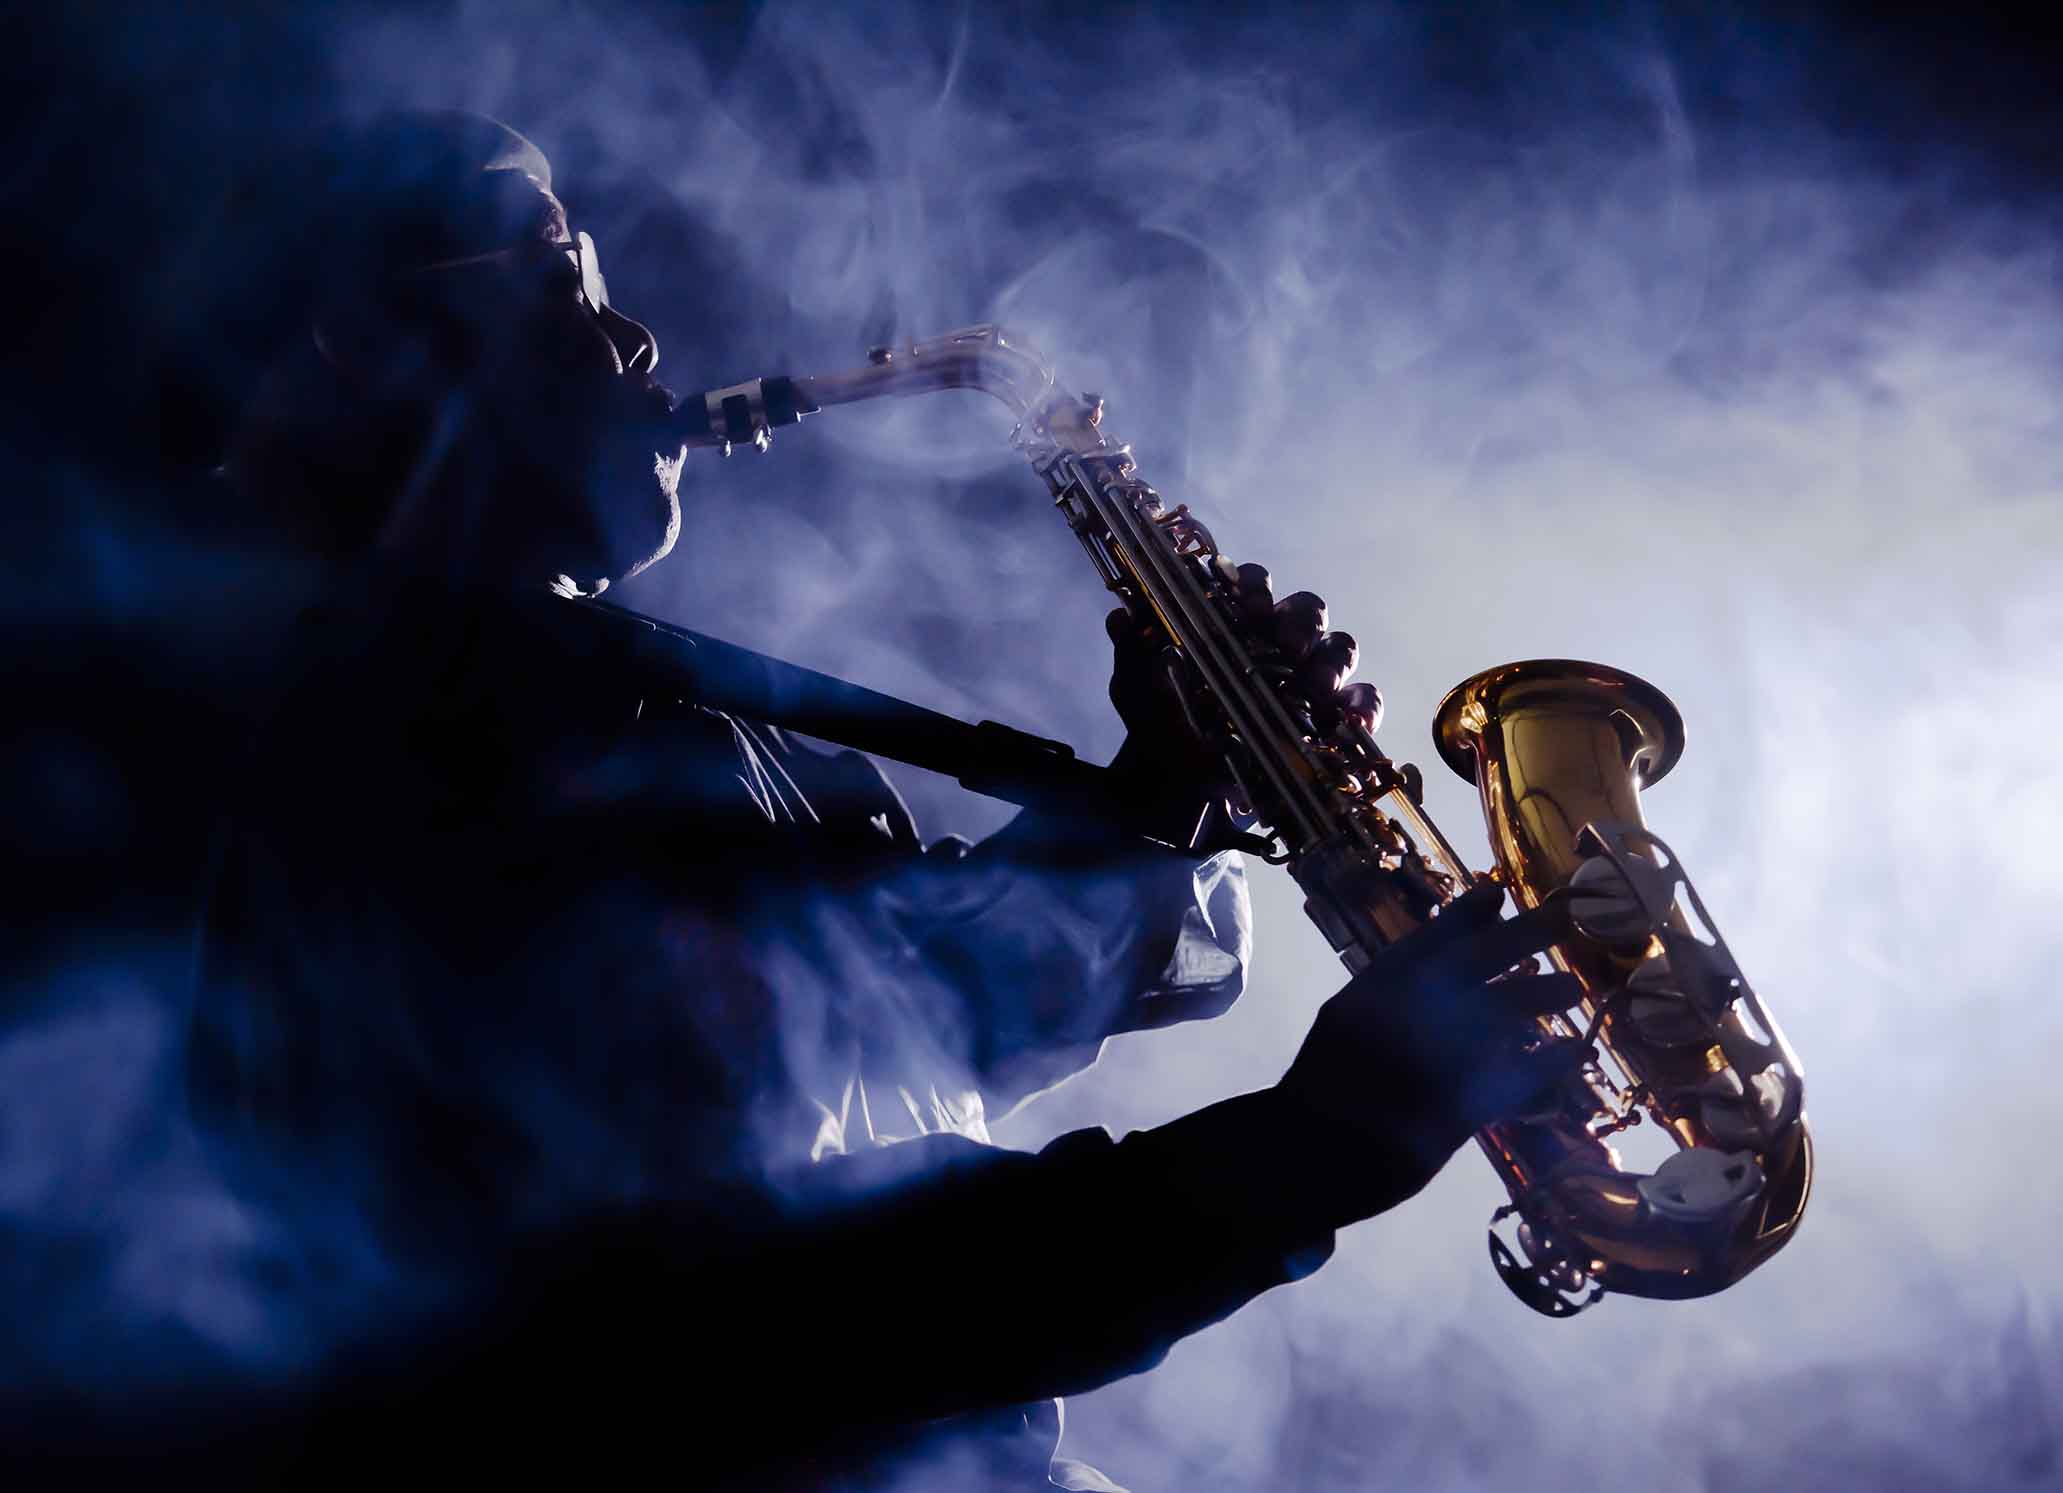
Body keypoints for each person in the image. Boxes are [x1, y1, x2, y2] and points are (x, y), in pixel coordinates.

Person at [166, 113, 1585, 1488]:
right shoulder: (406, 752)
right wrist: (1313, 1145)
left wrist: (1169, 780)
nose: (635, 336)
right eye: (555, 282)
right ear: (381, 362)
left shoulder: (626, 710)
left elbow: (926, 1019)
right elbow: (739, 1327)